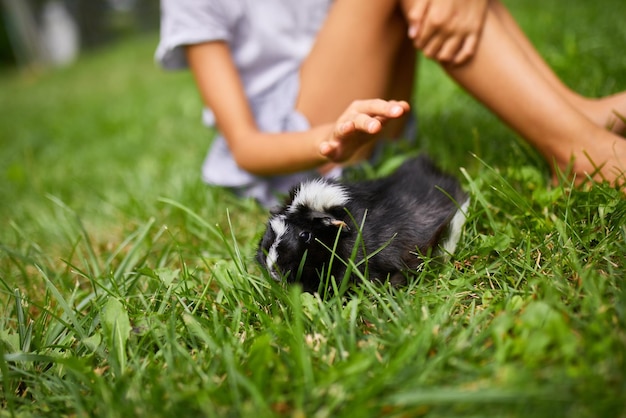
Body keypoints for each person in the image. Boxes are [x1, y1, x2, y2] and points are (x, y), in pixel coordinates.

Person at [156, 0, 626, 206]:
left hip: (373, 117)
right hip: (300, 150)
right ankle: (577, 149)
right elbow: (245, 147)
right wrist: (329, 139)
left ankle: (571, 117)